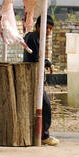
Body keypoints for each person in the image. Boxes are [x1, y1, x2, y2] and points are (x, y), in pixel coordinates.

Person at [22, 14, 58, 146]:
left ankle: (40, 134)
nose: (48, 31)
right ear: (38, 27)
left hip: (34, 77)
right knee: (46, 106)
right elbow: (36, 57)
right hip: (33, 78)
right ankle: (44, 135)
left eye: (50, 28)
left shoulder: (35, 38)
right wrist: (48, 63)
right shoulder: (33, 38)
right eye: (46, 28)